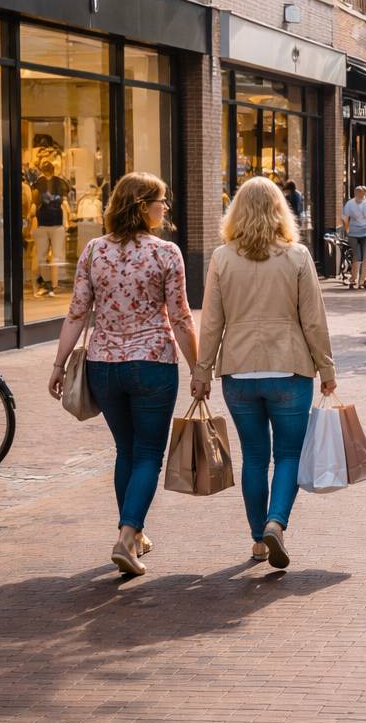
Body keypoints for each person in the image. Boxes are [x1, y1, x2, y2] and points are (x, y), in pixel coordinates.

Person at [48, 172, 196, 577]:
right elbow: (181, 317)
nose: (165, 208)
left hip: (104, 366)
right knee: (149, 453)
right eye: (160, 201)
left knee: (126, 452)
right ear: (141, 205)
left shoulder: (94, 251)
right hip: (152, 363)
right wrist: (199, 366)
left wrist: (59, 365)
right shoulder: (166, 253)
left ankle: (133, 533)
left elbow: (77, 313)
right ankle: (127, 536)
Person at [191, 178, 337, 570]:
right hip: (289, 368)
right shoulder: (297, 256)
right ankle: (277, 522)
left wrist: (202, 371)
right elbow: (314, 321)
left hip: (238, 371)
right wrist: (326, 367)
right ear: (280, 211)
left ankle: (258, 539)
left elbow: (211, 324)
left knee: (254, 457)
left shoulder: (221, 258)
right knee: (288, 454)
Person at [32, 156, 73, 297]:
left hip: (48, 223)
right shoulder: (43, 182)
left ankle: (51, 285)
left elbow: (35, 204)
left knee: (46, 256)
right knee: (51, 256)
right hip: (50, 223)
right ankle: (51, 285)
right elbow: (64, 202)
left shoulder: (54, 183)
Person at [340, 185, 366, 289]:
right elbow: (344, 218)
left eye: (361, 193)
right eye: (357, 193)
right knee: (357, 257)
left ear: (364, 194)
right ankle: (354, 279)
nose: (359, 195)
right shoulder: (350, 203)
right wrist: (347, 230)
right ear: (355, 193)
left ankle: (361, 280)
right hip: (354, 234)